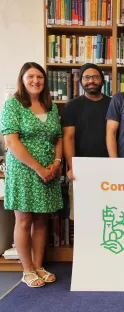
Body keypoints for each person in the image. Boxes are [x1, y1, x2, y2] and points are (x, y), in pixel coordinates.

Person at [0, 62, 63, 287]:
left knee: (42, 220)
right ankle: (26, 270)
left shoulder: (51, 106)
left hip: (49, 170)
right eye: (31, 77)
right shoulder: (13, 105)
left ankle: (38, 266)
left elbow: (58, 137)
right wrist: (39, 168)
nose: (35, 81)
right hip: (24, 171)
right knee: (24, 219)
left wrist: (56, 163)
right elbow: (11, 141)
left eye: (39, 77)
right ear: (22, 79)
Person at [62, 63, 111, 220]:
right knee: (81, 218)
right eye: (87, 77)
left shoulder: (113, 104)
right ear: (81, 81)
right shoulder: (72, 106)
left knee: (107, 215)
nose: (91, 81)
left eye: (95, 77)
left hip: (108, 170)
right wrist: (71, 167)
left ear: (102, 81)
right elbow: (68, 138)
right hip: (81, 172)